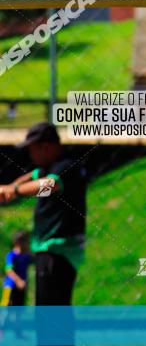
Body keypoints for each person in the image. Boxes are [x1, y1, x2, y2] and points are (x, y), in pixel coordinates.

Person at [0, 122, 88, 305]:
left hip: (57, 251)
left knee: (50, 311)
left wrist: (15, 192)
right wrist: (10, 188)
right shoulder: (51, 167)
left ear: (45, 147)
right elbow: (34, 175)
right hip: (52, 250)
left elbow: (49, 185)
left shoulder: (66, 166)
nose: (31, 155)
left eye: (32, 150)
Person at [1, 231, 33, 307]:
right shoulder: (11, 255)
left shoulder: (27, 256)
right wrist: (18, 281)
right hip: (10, 286)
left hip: (21, 288)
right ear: (18, 242)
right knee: (6, 306)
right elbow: (9, 270)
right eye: (27, 241)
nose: (28, 244)